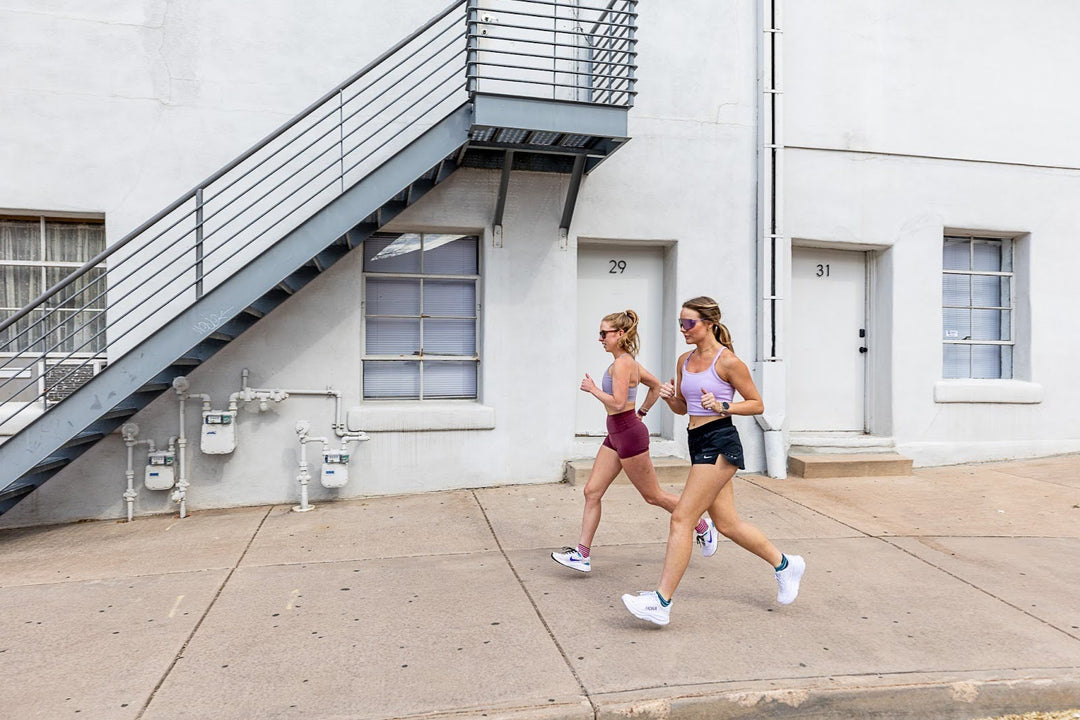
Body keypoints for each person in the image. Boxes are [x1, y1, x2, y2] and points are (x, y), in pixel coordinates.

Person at [621, 296, 805, 625]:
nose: (683, 329)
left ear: (709, 323)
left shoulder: (728, 362)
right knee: (728, 525)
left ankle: (661, 602)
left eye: (689, 323)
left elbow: (757, 404)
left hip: (720, 442)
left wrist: (723, 407)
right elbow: (684, 408)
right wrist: (668, 399)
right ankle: (786, 564)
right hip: (698, 440)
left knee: (681, 518)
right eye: (681, 323)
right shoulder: (684, 360)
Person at [552, 309, 719, 574]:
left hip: (628, 434)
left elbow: (618, 403)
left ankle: (702, 525)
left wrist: (594, 389)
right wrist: (641, 412)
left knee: (653, 495)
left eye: (604, 333)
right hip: (617, 433)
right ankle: (582, 555)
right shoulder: (625, 361)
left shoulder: (623, 363)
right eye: (600, 333)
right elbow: (655, 385)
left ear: (620, 334)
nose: (600, 338)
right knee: (591, 492)